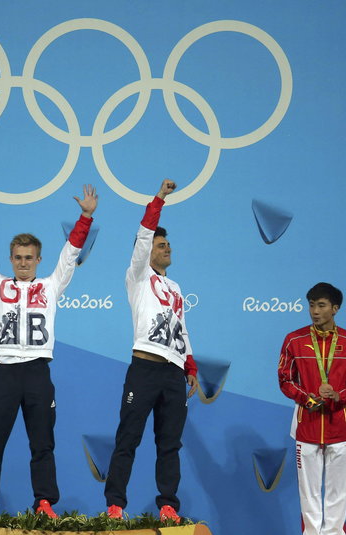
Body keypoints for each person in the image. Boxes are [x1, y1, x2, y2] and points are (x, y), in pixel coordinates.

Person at [0, 183, 97, 519]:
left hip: (38, 372)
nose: (23, 263)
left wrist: (85, 216)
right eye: (18, 258)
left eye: (29, 258)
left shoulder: (51, 286)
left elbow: (70, 254)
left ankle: (44, 504)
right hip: (6, 373)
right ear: (10, 259)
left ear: (39, 259)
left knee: (43, 444)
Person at [104, 179, 199, 524]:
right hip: (144, 369)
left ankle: (168, 505)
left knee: (169, 444)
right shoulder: (138, 275)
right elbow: (144, 232)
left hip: (173, 374)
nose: (167, 248)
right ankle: (115, 504)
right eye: (161, 244)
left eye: (168, 243)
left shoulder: (175, 287)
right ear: (147, 251)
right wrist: (159, 198)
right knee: (128, 438)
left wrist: (190, 365)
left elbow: (182, 330)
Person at [277, 282, 346, 535]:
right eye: (311, 305)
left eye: (321, 305)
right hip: (306, 425)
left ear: (335, 308)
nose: (314, 311)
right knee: (309, 493)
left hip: (340, 426)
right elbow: (285, 379)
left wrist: (339, 396)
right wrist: (307, 399)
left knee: (338, 493)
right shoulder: (294, 340)